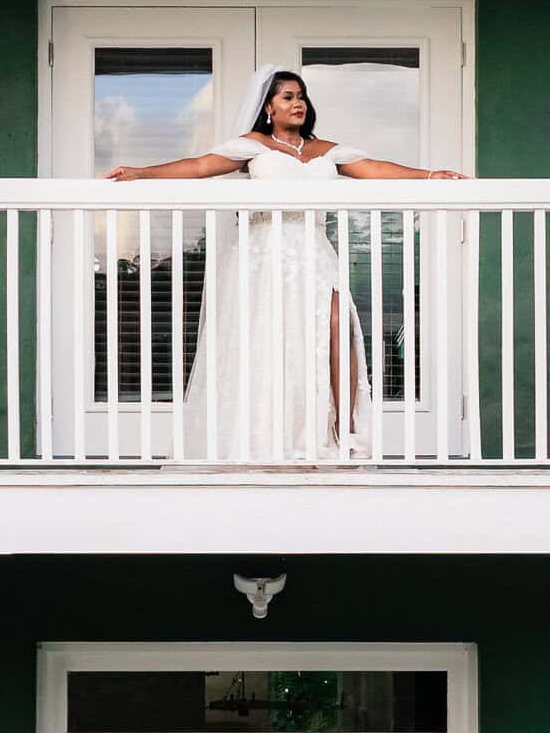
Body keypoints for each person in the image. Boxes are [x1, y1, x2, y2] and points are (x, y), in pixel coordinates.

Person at [105, 68, 461, 459]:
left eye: (301, 96)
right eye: (288, 97)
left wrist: (428, 175)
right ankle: (269, 435)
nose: (298, 103)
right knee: (274, 338)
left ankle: (345, 432)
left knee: (337, 326)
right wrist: (142, 173)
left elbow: (373, 168)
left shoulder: (325, 150)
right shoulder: (254, 146)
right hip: (265, 252)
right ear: (269, 107)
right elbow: (201, 165)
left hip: (313, 250)